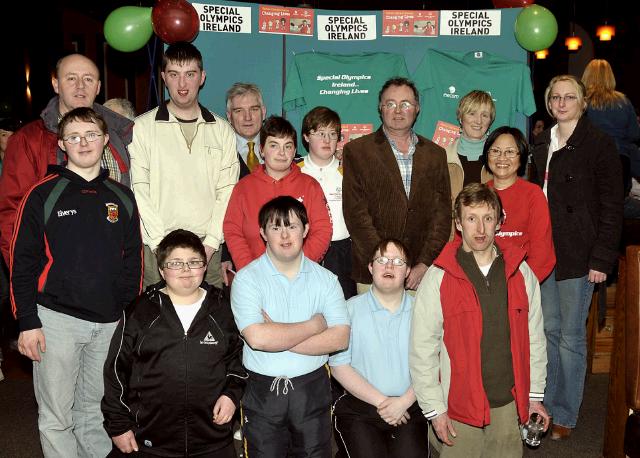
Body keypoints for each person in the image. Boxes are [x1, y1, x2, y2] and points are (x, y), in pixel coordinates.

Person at [11, 107, 143, 457]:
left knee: (93, 412)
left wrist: (126, 317)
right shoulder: (42, 194)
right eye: (74, 136)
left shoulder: (123, 198)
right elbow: (21, 263)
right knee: (56, 416)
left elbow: (134, 262)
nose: (83, 142)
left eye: (91, 135)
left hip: (108, 323)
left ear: (105, 141)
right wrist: (27, 322)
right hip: (56, 321)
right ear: (62, 144)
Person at [410, 183, 549, 457]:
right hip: (458, 405)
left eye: (488, 218)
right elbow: (422, 349)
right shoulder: (439, 277)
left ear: (499, 222)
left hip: (508, 402)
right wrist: (434, 409)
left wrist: (534, 397)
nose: (481, 229)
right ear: (458, 224)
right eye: (471, 219)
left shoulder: (521, 272)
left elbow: (535, 339)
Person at [530, 74, 623, 439]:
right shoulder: (541, 142)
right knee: (548, 332)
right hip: (544, 253)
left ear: (582, 102)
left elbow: (612, 205)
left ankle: (566, 413)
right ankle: (546, 408)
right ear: (550, 103)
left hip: (580, 254)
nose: (562, 103)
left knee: (570, 336)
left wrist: (601, 259)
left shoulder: (598, 143)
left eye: (570, 97)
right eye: (556, 97)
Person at [102, 229, 246, 457]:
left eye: (194, 262)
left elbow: (239, 362)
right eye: (176, 263)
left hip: (212, 441)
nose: (186, 270)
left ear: (205, 266)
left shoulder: (223, 309)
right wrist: (118, 425)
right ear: (161, 269)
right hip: (151, 442)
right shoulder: (140, 312)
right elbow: (115, 373)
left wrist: (231, 395)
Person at [231, 195, 350, 457]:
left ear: (306, 229)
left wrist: (279, 335)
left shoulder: (326, 280)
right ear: (263, 233)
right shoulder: (247, 279)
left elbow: (340, 338)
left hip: (311, 389)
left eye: (292, 226)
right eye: (275, 227)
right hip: (262, 391)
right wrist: (314, 325)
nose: (285, 235)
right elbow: (258, 339)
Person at [0, 53, 133, 264]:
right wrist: (28, 276)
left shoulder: (120, 133)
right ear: (55, 84)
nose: (80, 86)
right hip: (56, 272)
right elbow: (12, 215)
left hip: (113, 265)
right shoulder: (28, 140)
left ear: (98, 87)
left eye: (88, 79)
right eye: (71, 78)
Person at [129, 42, 239, 289]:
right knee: (157, 324)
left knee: (208, 324)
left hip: (207, 249)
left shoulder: (221, 130)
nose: (182, 84)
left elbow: (228, 191)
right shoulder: (142, 128)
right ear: (163, 77)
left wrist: (210, 245)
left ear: (202, 77)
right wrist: (161, 248)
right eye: (174, 74)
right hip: (157, 249)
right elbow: (139, 189)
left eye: (190, 74)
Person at [343, 76, 451, 292]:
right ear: (380, 108)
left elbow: (442, 216)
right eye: (390, 104)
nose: (398, 110)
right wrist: (385, 263)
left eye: (406, 104)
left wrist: (423, 265)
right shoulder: (357, 152)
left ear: (417, 108)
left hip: (419, 275)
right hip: (372, 271)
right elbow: (356, 215)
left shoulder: (435, 155)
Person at [330, 239, 429, 457]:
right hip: (360, 408)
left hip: (409, 405)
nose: (389, 266)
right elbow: (339, 366)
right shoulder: (348, 310)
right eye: (382, 260)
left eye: (398, 261)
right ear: (370, 267)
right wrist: (384, 403)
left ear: (408, 271)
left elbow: (433, 365)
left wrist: (403, 402)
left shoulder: (422, 312)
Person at [223, 115, 332, 271]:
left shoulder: (310, 186)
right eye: (274, 145)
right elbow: (232, 231)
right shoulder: (243, 188)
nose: (282, 153)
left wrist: (298, 267)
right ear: (261, 149)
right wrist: (249, 270)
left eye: (287, 146)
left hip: (301, 274)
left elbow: (322, 230)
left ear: (294, 151)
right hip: (255, 276)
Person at [483, 126, 555, 283]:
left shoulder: (533, 195)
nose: (502, 157)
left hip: (522, 282)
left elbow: (542, 255)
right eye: (495, 151)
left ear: (521, 156)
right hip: (482, 284)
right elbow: (463, 244)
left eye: (510, 152)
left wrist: (518, 285)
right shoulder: (478, 194)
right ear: (487, 155)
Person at [300, 106, 356, 299]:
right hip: (304, 251)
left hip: (342, 253)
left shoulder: (349, 172)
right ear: (306, 137)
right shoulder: (295, 172)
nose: (326, 140)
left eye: (332, 134)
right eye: (320, 133)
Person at [581, 59, 640, 216]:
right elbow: (634, 134)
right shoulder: (623, 102)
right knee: (615, 207)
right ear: (610, 77)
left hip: (591, 159)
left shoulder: (582, 103)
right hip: (620, 160)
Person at [0, 116, 22, 382]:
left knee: (8, 294)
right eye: (5, 134)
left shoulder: (18, 165)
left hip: (12, 237)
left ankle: (15, 336)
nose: (10, 139)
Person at [445, 90, 495, 201]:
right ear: (461, 118)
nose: (478, 121)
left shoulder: (499, 161)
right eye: (472, 113)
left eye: (485, 115)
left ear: (490, 121)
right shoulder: (442, 158)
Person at [225, 82, 267, 176]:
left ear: (263, 113)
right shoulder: (219, 153)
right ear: (229, 116)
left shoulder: (282, 151)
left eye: (254, 109)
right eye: (239, 111)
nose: (247, 117)